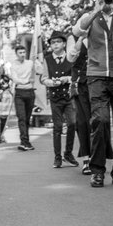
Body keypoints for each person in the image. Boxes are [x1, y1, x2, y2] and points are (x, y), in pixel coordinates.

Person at [70, 0, 113, 188]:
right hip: (96, 76)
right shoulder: (90, 17)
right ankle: (97, 170)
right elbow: (77, 31)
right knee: (100, 121)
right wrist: (96, 10)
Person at [38, 30, 77, 168]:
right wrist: (50, 82)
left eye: (58, 42)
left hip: (69, 96)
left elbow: (76, 76)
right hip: (55, 97)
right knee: (57, 127)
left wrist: (67, 78)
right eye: (53, 42)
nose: (55, 45)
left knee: (72, 123)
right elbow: (43, 78)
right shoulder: (47, 59)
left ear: (64, 43)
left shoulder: (71, 57)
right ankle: (57, 157)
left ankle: (68, 153)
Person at [70, 36, 92, 173]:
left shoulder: (104, 36)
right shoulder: (76, 40)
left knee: (100, 122)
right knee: (82, 123)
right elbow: (71, 58)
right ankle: (86, 159)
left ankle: (99, 156)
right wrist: (80, 39)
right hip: (81, 86)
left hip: (99, 83)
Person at [9, 45, 37, 150]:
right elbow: (15, 79)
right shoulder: (13, 65)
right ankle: (24, 141)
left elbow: (39, 71)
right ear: (16, 54)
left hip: (30, 92)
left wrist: (38, 62)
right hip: (19, 92)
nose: (22, 55)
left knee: (27, 118)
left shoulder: (30, 63)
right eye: (20, 53)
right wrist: (25, 81)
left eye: (24, 52)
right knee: (21, 117)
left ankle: (26, 141)